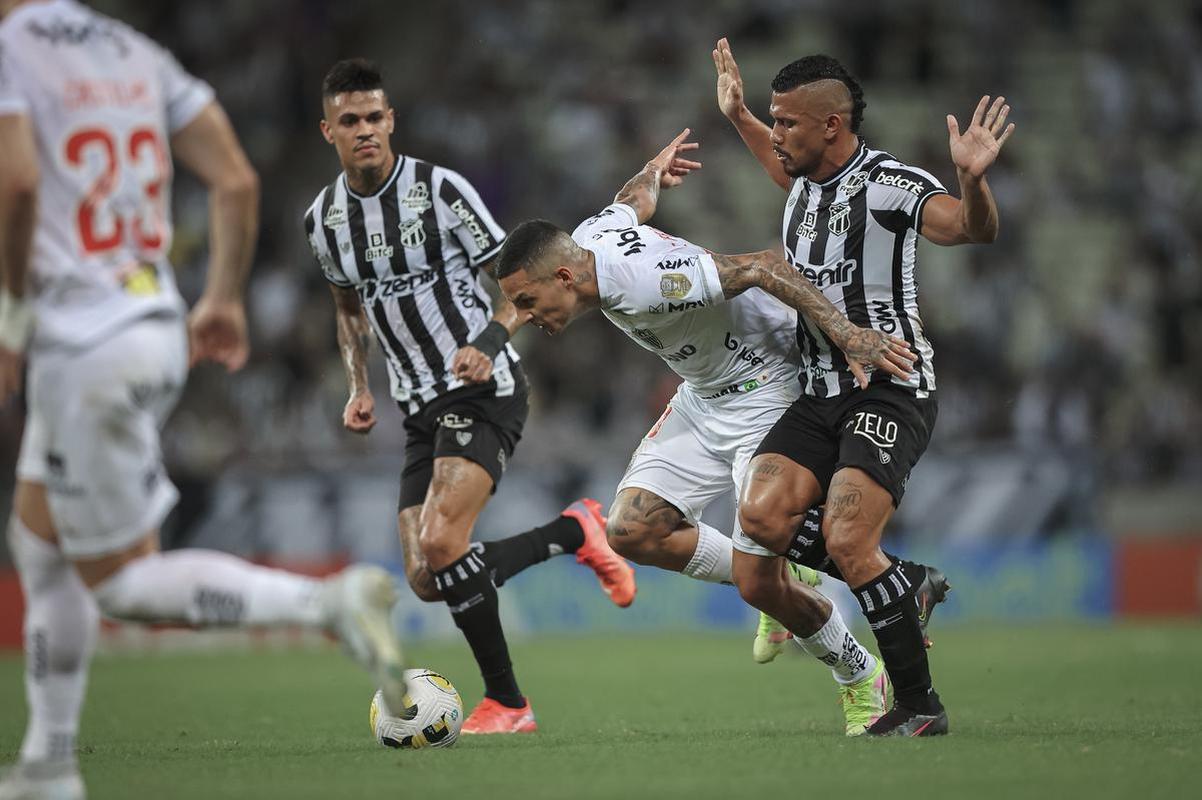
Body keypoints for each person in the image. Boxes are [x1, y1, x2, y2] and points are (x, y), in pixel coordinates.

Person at [0, 3, 408, 798]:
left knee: (119, 583)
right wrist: (221, 297)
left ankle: (325, 601)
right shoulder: (135, 52)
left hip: (81, 341)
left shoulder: (11, 49)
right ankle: (46, 763)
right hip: (152, 322)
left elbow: (16, 181)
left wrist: (11, 318)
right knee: (39, 543)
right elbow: (235, 178)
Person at [494, 129, 918, 736]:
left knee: (755, 584)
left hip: (767, 389)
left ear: (564, 276)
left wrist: (847, 334)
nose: (528, 319)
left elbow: (765, 267)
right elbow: (629, 202)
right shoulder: (590, 241)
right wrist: (651, 170)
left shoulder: (647, 280)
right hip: (702, 398)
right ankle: (782, 574)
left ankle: (859, 675)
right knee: (630, 530)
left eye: (528, 302)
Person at [303, 59, 635, 737]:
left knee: (442, 539)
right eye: (350, 121)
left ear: (390, 120)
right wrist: (360, 386)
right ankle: (576, 531)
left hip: (482, 388)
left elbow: (521, 279)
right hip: (417, 408)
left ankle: (509, 704)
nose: (365, 130)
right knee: (427, 574)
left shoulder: (440, 191)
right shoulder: (324, 221)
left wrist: (488, 339)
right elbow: (346, 307)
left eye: (374, 117)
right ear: (328, 130)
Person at [714, 38, 1014, 736]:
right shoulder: (799, 180)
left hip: (890, 388)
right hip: (817, 392)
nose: (776, 133)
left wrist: (972, 179)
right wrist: (736, 115)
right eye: (773, 119)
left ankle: (920, 706)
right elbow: (769, 150)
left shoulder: (892, 183)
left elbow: (971, 229)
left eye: (787, 121)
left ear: (832, 126)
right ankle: (904, 580)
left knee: (849, 538)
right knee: (759, 522)